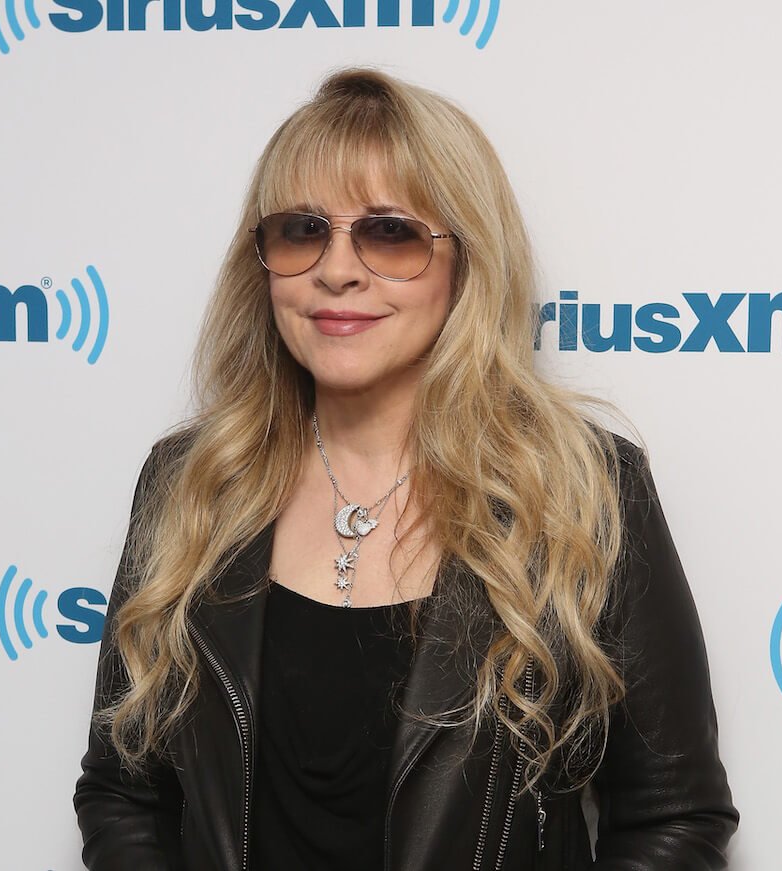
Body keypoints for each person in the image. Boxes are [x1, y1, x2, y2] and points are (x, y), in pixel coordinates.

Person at [73, 67, 738, 870]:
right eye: (300, 230)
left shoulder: (585, 490)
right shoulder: (188, 484)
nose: (337, 269)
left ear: (466, 263)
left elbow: (676, 815)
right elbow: (124, 792)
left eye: (390, 232)